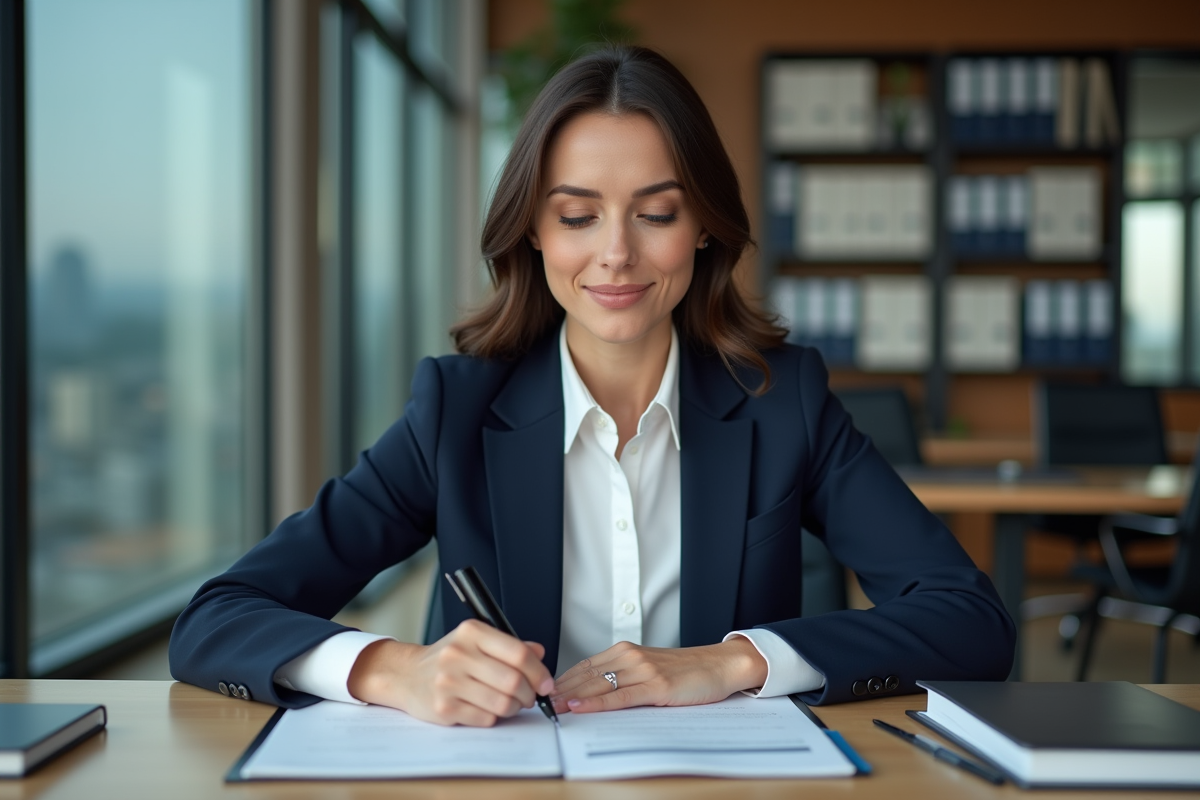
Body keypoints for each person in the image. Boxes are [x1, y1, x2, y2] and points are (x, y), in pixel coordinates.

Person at [169, 46, 1014, 727]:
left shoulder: (781, 402)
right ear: (533, 232)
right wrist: (395, 669)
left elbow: (970, 621)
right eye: (578, 216)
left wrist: (730, 661)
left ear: (705, 231)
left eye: (656, 213)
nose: (616, 253)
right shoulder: (454, 413)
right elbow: (217, 618)